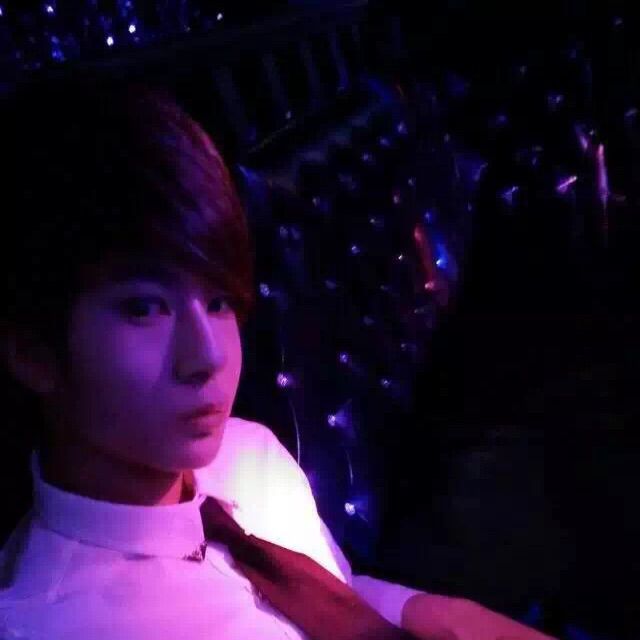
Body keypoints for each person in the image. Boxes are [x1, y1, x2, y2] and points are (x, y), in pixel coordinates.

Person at [0, 76, 553, 639]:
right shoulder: (47, 623)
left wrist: (432, 611)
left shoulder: (249, 455)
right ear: (31, 351)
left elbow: (331, 594)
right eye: (144, 308)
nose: (208, 356)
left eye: (218, 301)